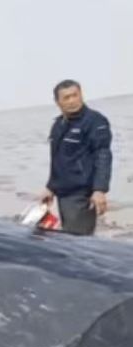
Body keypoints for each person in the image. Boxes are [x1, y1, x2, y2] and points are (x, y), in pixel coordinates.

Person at [39, 79, 113, 235]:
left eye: (75, 95)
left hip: (82, 195)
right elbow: (58, 160)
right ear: (57, 102)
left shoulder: (95, 121)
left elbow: (103, 155)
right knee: (67, 240)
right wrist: (50, 187)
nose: (72, 101)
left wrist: (99, 190)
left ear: (81, 95)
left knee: (79, 245)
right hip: (63, 194)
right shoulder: (59, 124)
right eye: (66, 97)